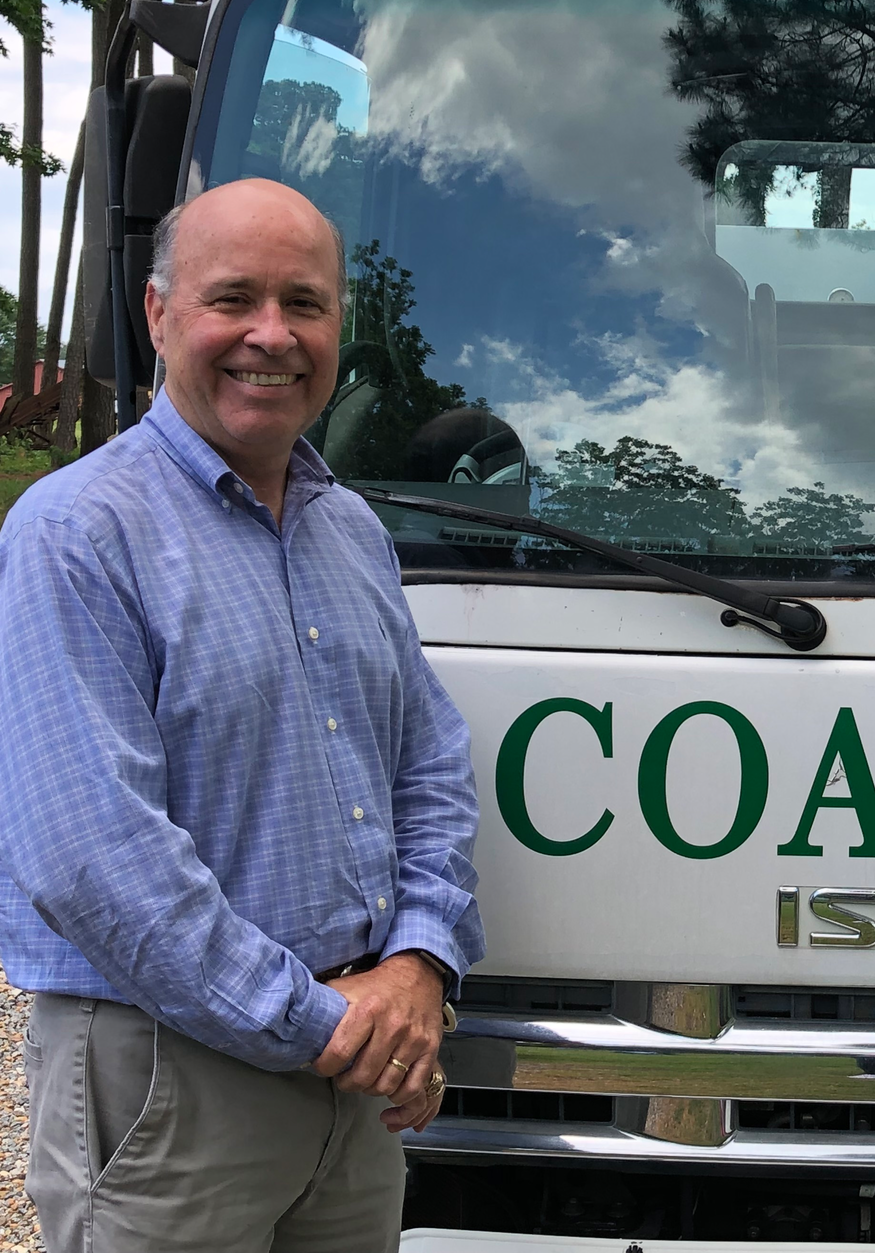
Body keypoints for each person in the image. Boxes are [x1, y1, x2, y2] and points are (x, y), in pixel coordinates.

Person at [0, 178, 485, 1252]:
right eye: (233, 299)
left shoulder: (349, 530)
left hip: (354, 1079)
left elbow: (430, 765)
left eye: (304, 303)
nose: (272, 335)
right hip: (173, 1077)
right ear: (158, 312)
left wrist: (418, 963)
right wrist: (330, 1026)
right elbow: (92, 861)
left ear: (338, 326)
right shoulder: (76, 534)